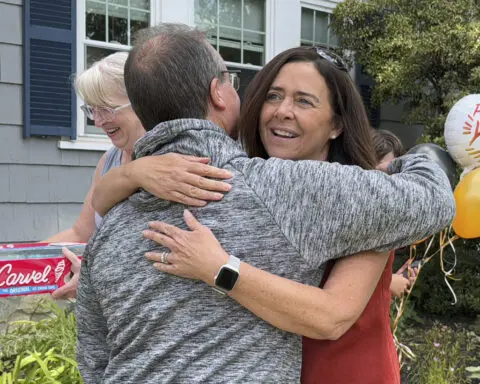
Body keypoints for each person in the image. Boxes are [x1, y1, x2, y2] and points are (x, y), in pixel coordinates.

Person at [75, 23, 455, 383]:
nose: (282, 110)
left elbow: (94, 362)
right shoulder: (277, 187)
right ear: (218, 93)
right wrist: (424, 158)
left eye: (304, 101)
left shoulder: (108, 238)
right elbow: (433, 198)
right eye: (273, 95)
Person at [42, 52, 232, 299]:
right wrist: (15, 262)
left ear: (141, 102)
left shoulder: (181, 160)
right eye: (91, 109)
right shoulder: (110, 159)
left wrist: (93, 280)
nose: (98, 121)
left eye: (107, 109)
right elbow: (82, 233)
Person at [373, 129, 419, 298]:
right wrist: (387, 283)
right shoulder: (352, 219)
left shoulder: (387, 219)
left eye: (389, 174)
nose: (382, 183)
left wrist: (393, 277)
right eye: (375, 172)